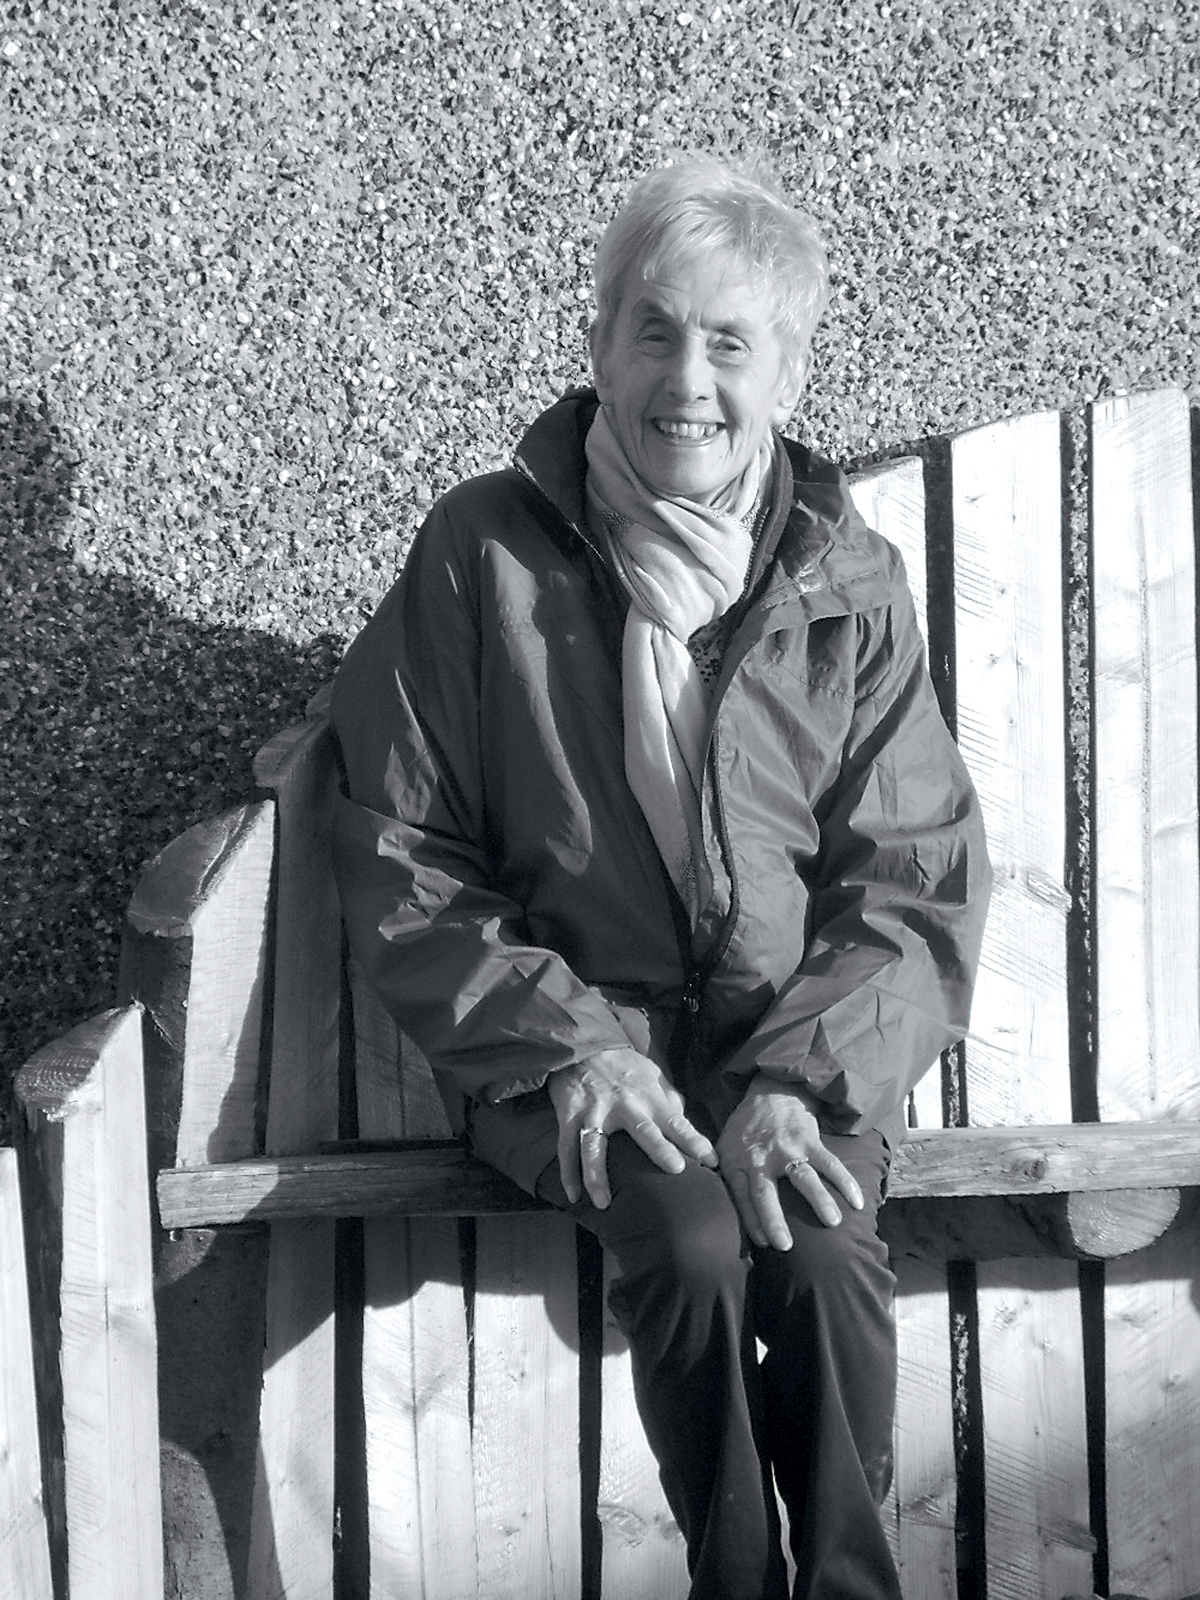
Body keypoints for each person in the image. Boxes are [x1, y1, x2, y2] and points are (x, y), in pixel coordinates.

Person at [330, 155, 991, 1600]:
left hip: (787, 1052)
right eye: (656, 330)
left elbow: (914, 882)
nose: (687, 381)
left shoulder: (849, 585)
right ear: (600, 344)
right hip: (570, 1052)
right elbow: (400, 846)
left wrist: (800, 1083)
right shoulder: (478, 554)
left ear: (791, 371)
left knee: (820, 1259)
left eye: (731, 343)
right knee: (689, 1241)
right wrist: (570, 1050)